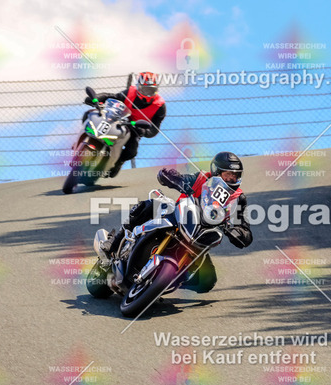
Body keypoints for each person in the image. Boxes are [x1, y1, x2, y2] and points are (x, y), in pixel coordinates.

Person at [102, 151, 252, 293]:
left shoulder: (239, 198)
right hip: (178, 219)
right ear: (217, 172)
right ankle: (114, 241)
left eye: (235, 175)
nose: (232, 178)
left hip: (199, 238)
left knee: (207, 281)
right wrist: (175, 179)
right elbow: (171, 176)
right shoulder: (201, 178)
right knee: (149, 205)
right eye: (228, 174)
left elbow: (245, 231)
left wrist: (237, 233)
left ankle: (166, 283)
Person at [84, 71, 166, 177]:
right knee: (90, 114)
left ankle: (118, 162)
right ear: (139, 87)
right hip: (117, 119)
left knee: (132, 152)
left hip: (135, 127)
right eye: (145, 89)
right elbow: (113, 96)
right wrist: (97, 98)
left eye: (151, 90)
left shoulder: (160, 106)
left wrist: (144, 131)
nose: (147, 93)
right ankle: (84, 138)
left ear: (156, 89)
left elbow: (155, 129)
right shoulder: (130, 92)